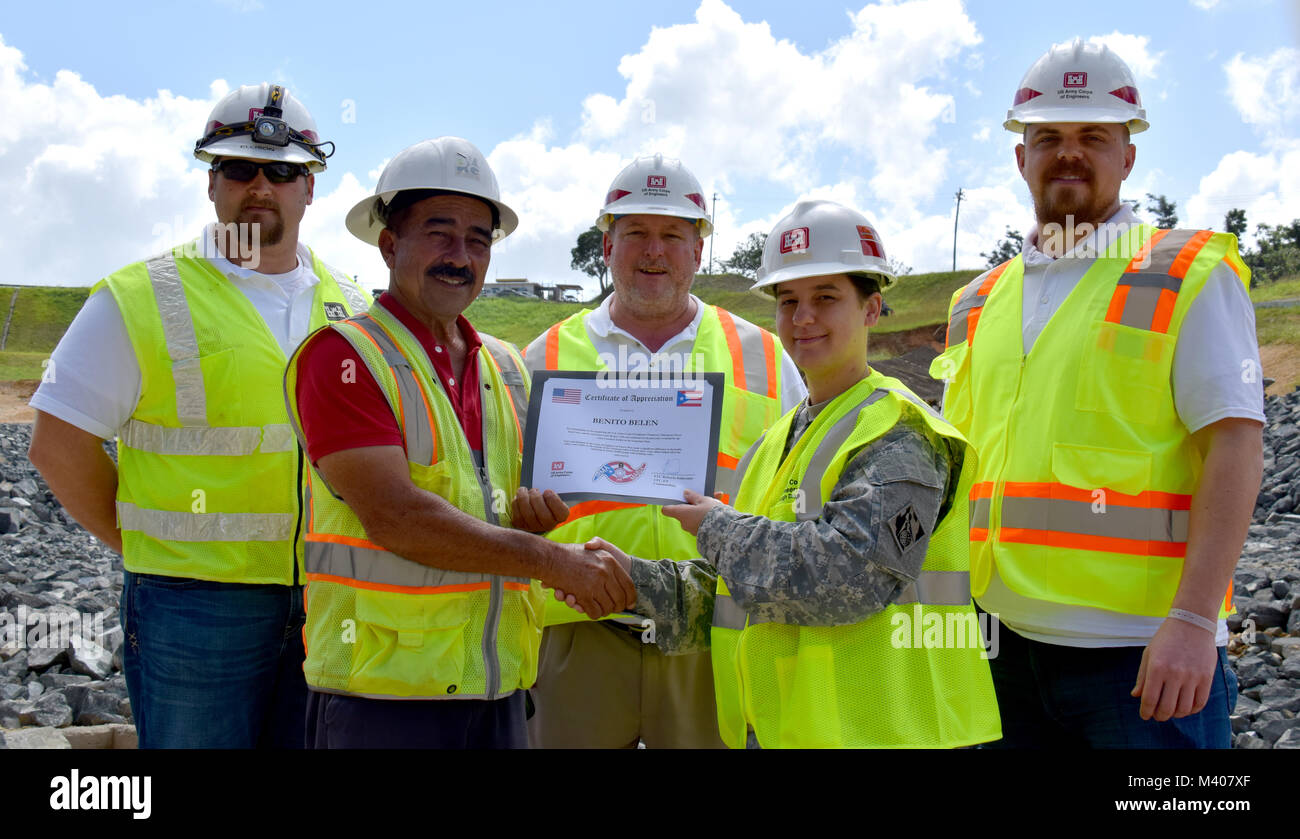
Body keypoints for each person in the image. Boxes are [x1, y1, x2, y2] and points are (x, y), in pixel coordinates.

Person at [559, 199, 1001, 748]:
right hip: (795, 731)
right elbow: (740, 587)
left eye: (825, 298)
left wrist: (718, 528)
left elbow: (847, 576)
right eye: (788, 300)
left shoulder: (900, 431)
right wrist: (633, 582)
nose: (803, 318)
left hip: (895, 732)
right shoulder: (778, 441)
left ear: (871, 309)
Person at [930, 39, 1264, 748]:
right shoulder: (977, 301)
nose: (1068, 152)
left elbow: (1235, 445)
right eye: (1048, 135)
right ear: (1021, 157)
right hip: (997, 646)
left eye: (1092, 137)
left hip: (1140, 656)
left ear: (1128, 155)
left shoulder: (1186, 274)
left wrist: (1197, 621)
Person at [27, 83, 371, 748]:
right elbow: (56, 443)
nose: (260, 186)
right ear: (212, 182)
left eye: (281, 172)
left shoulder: (353, 304)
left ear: (311, 186)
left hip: (328, 597)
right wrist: (151, 547)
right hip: (193, 605)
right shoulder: (139, 296)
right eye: (239, 168)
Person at [285, 137, 635, 749]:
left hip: (497, 688)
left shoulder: (504, 367)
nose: (461, 256)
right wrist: (556, 562)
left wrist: (537, 521)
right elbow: (398, 518)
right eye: (439, 233)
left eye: (478, 239)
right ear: (389, 245)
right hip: (385, 700)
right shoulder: (344, 357)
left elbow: (501, 507)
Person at [522, 154, 805, 749]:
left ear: (698, 251)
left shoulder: (766, 357)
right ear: (607, 245)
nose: (654, 252)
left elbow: (801, 493)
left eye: (673, 235)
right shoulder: (540, 360)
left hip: (712, 634)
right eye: (636, 234)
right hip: (580, 634)